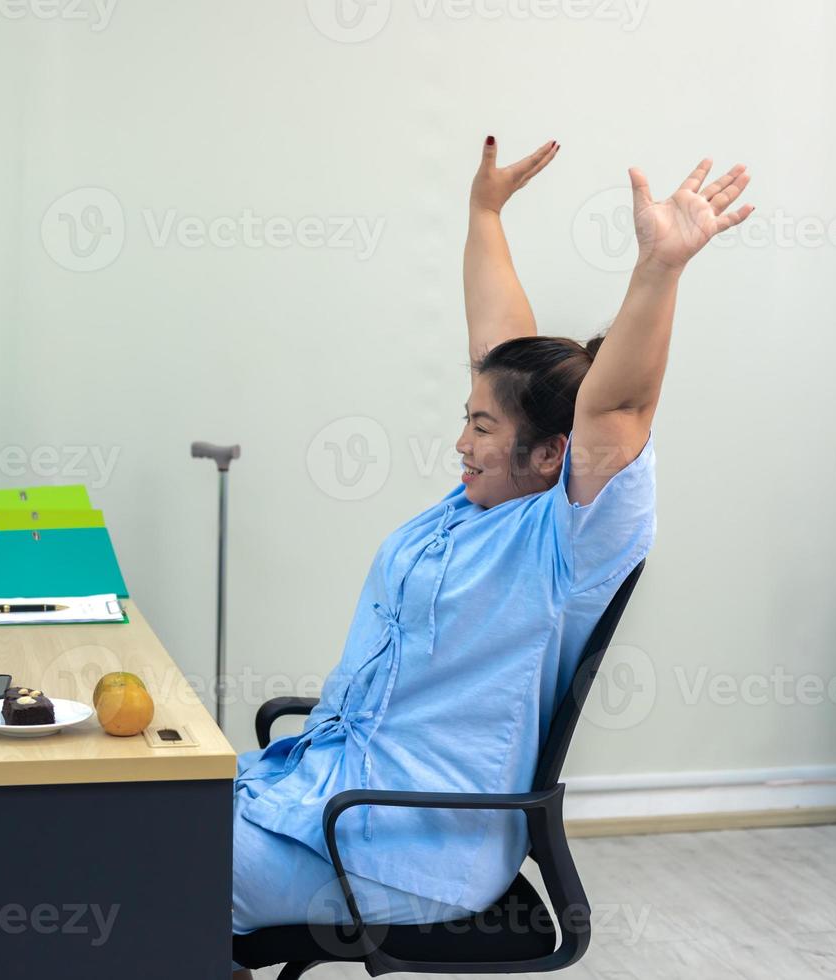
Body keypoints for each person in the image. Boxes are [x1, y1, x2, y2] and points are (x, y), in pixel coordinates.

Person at [229, 137, 752, 974]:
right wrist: (484, 215)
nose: (459, 442)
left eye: (479, 427)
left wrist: (659, 270)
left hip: (406, 851)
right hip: (325, 799)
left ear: (551, 453)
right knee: (139, 814)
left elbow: (615, 405)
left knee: (147, 870)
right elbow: (499, 349)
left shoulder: (566, 541)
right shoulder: (483, 500)